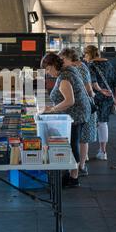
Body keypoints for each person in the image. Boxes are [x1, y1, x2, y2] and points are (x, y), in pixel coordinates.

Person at [41, 52, 91, 187]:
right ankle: (71, 173)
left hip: (75, 115)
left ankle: (74, 178)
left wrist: (51, 109)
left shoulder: (64, 78)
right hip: (79, 113)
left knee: (72, 144)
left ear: (53, 65)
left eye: (47, 68)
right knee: (72, 143)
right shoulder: (67, 70)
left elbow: (69, 101)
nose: (47, 72)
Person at [59, 48, 97, 176]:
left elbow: (89, 89)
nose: (61, 62)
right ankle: (80, 165)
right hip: (82, 107)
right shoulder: (79, 67)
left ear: (70, 58)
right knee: (81, 138)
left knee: (82, 138)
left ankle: (81, 166)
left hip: (81, 107)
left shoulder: (79, 68)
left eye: (63, 59)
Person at [83, 45, 116, 160]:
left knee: (88, 123)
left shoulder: (90, 65)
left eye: (85, 54)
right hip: (108, 97)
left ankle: (85, 154)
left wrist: (99, 90)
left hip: (94, 97)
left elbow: (93, 82)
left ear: (89, 54)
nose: (84, 57)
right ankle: (103, 152)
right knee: (103, 124)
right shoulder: (109, 64)